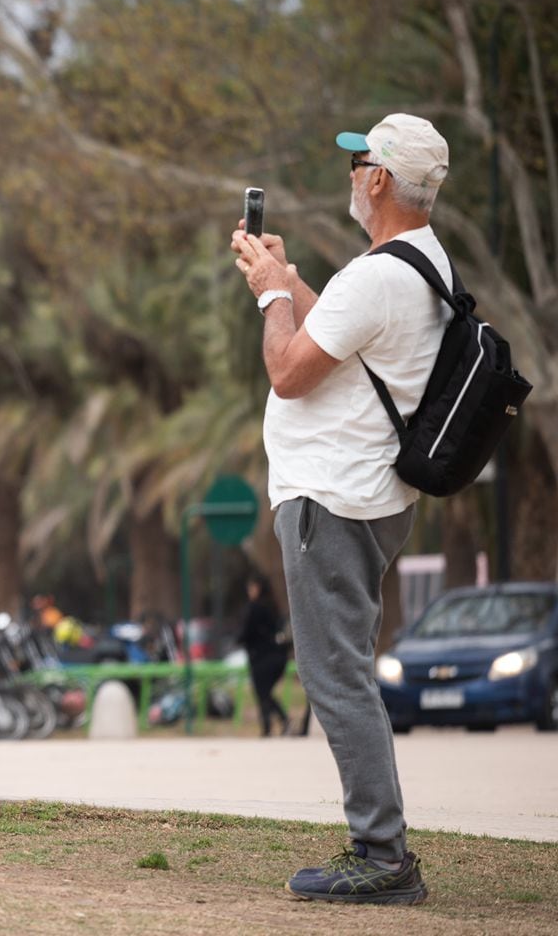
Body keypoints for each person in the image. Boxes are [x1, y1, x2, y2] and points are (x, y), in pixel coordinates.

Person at [230, 113, 452, 906]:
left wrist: (266, 300)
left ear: (381, 180)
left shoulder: (380, 274)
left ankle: (382, 855)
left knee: (335, 677)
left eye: (359, 162)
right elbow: (341, 331)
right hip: (370, 498)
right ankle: (380, 844)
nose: (351, 173)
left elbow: (290, 372)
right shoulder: (419, 265)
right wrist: (286, 280)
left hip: (335, 497)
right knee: (346, 671)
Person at [236, 578, 289, 737]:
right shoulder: (271, 606)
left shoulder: (256, 608)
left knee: (262, 692)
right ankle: (276, 723)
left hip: (262, 657)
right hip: (275, 656)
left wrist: (239, 639)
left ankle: (273, 724)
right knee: (264, 693)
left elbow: (247, 631)